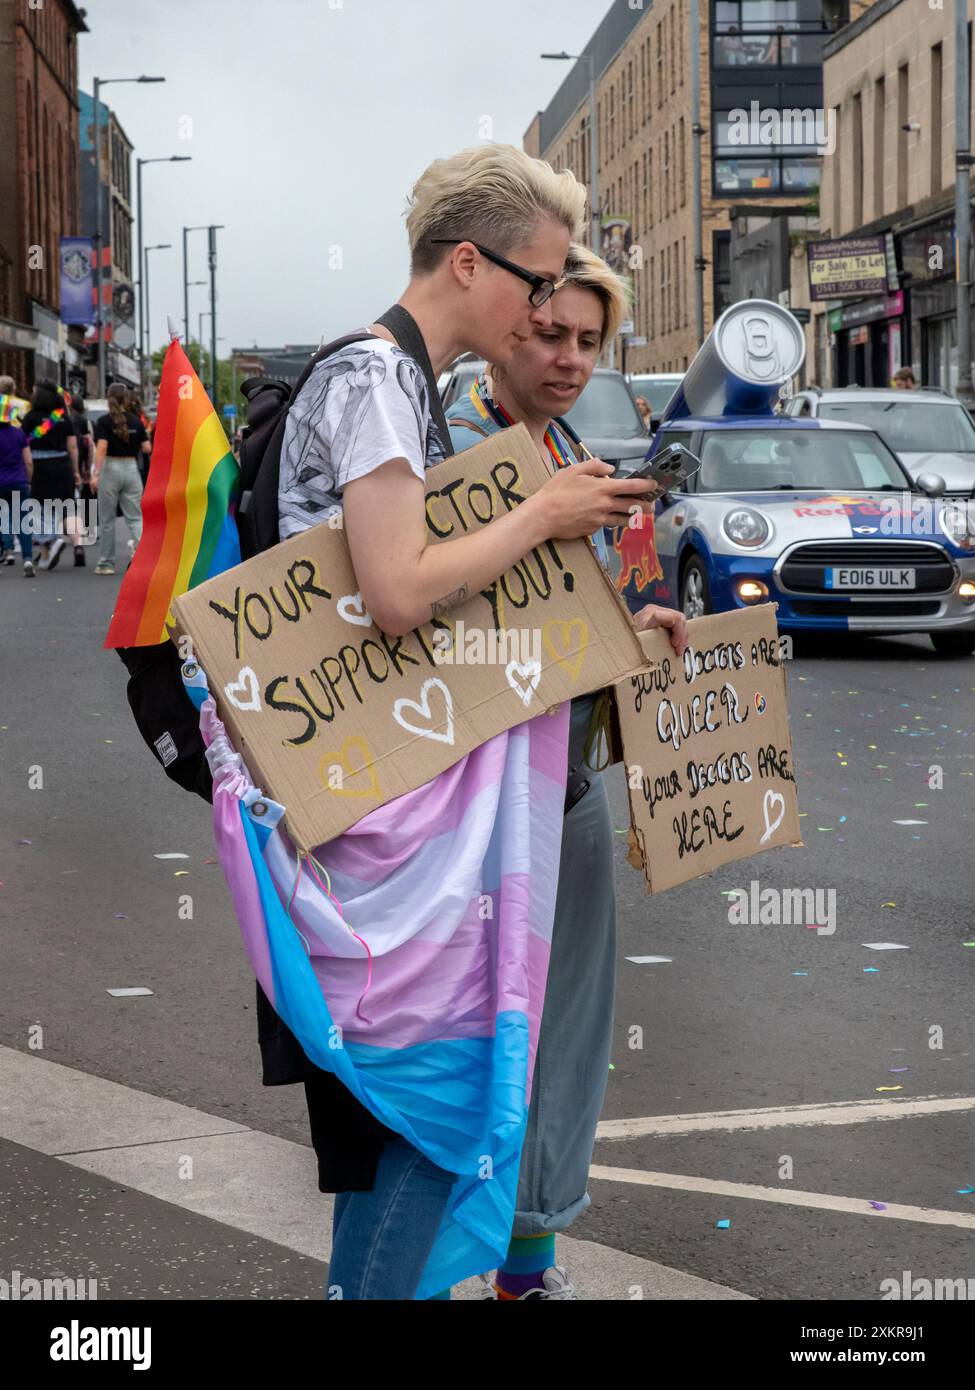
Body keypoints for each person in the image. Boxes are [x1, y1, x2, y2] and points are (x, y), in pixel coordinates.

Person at [266, 143, 659, 1301]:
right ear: (472, 263)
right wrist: (541, 513)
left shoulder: (406, 389)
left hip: (401, 807)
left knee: (420, 1117)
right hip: (388, 824)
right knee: (425, 1120)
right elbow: (397, 592)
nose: (550, 312)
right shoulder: (378, 379)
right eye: (539, 286)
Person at [445, 244, 687, 1299]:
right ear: (508, 324)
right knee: (461, 1036)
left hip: (571, 784)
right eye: (552, 333)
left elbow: (609, 619)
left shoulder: (585, 452)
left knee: (567, 1029)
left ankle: (527, 1268)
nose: (571, 357)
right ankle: (423, 1257)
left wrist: (650, 630)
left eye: (591, 340)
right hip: (465, 796)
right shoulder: (445, 449)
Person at [20, 380, 80, 571]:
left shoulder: (30, 418)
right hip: (62, 466)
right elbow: (73, 448)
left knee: (40, 509)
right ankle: (69, 546)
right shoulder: (62, 417)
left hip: (39, 467)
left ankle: (51, 541)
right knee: (65, 507)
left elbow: (22, 446)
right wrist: (76, 470)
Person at [91, 383, 149, 575]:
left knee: (107, 519)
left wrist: (96, 473)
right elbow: (147, 448)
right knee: (135, 517)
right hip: (132, 469)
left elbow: (101, 447)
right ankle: (146, 559)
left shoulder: (104, 421)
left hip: (111, 468)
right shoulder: (135, 421)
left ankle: (106, 562)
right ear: (126, 399)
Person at [0, 391, 34, 576]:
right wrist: (28, 479)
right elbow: (28, 460)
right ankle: (28, 559)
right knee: (22, 521)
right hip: (19, 481)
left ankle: (7, 548)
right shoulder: (19, 433)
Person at [69, 395, 94, 566]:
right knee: (84, 498)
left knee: (67, 502)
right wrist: (88, 466)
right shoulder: (84, 420)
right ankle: (88, 529)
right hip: (82, 459)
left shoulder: (63, 419)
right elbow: (89, 443)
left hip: (65, 461)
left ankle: (50, 537)